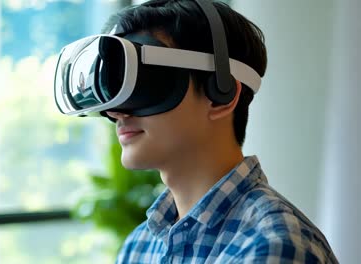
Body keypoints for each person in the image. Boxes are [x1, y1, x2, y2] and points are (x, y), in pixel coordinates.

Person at [99, 1, 339, 263]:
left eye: (145, 84)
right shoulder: (139, 246)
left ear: (220, 96)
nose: (117, 112)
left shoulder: (272, 247)